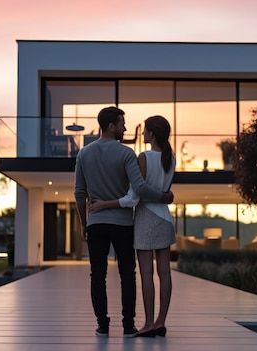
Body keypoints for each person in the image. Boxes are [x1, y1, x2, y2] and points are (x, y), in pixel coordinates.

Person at [74, 107, 173, 338]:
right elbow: (138, 188)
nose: (125, 128)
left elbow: (79, 193)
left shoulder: (84, 154)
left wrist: (83, 222)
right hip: (124, 224)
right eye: (122, 124)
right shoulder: (126, 154)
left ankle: (103, 324)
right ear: (111, 126)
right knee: (128, 274)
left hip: (96, 222)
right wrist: (165, 196)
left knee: (97, 275)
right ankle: (128, 325)